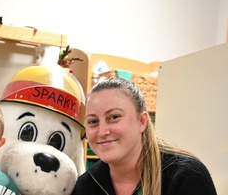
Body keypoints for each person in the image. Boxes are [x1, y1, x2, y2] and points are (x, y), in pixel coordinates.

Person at [72, 78, 217, 195]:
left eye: (114, 117)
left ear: (142, 121)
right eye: (93, 121)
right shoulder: (86, 185)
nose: (102, 131)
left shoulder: (186, 176)